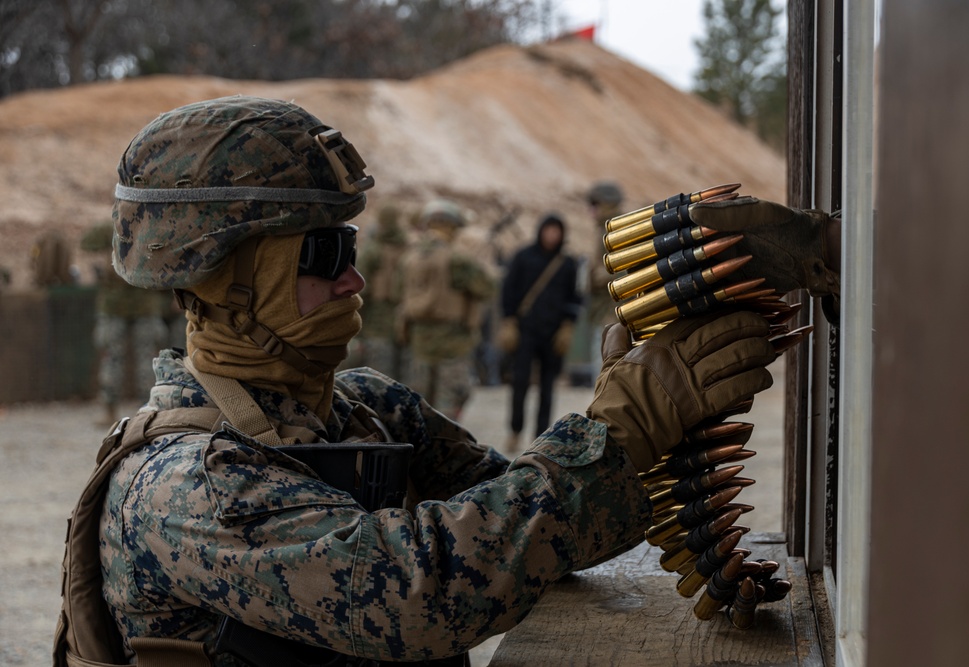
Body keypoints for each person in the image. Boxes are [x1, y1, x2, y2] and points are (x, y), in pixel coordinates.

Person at [54, 96, 789, 667]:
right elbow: (421, 588)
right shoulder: (186, 486)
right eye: (321, 253)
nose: (355, 276)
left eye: (351, 245)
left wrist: (631, 415)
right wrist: (615, 433)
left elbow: (538, 539)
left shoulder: (365, 408)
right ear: (222, 278)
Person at [397, 199, 496, 420]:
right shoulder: (458, 259)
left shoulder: (410, 258)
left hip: (419, 341)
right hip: (453, 344)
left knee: (419, 409)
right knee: (448, 412)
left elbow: (398, 293)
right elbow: (487, 288)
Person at [497, 213, 581, 452]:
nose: (552, 235)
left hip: (553, 334)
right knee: (520, 383)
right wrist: (509, 321)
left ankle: (541, 437)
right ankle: (515, 431)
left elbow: (575, 297)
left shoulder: (567, 263)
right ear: (541, 231)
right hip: (525, 331)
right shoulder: (523, 257)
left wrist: (568, 326)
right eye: (549, 230)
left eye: (557, 231)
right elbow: (508, 290)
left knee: (547, 387)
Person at [80, 222, 169, 424]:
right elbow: (87, 245)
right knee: (116, 358)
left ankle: (147, 411)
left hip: (140, 305)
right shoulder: (132, 229)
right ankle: (120, 410)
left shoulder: (146, 230)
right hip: (121, 307)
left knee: (143, 360)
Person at [355, 203, 409, 378]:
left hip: (376, 322)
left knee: (378, 376)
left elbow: (360, 287)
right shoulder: (408, 248)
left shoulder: (372, 250)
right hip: (405, 322)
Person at [583, 181, 625, 384]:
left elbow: (628, 268)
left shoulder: (618, 230)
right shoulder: (602, 231)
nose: (592, 210)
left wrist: (603, 274)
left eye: (596, 204)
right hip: (601, 311)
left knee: (608, 372)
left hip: (613, 314)